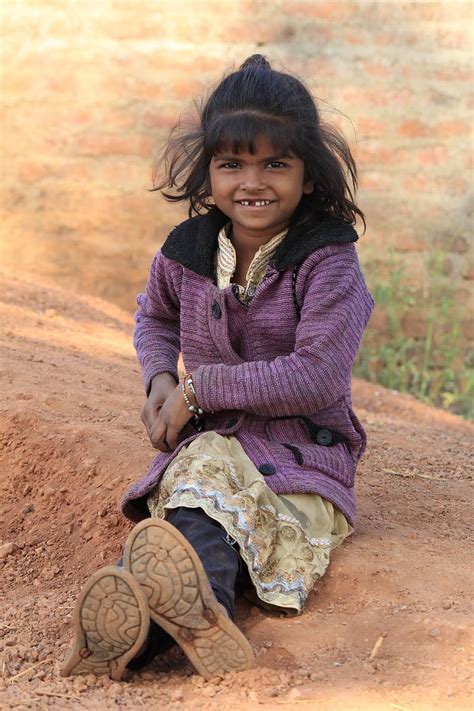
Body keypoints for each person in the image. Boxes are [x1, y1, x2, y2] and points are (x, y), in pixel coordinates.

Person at [62, 54, 374, 682]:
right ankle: (174, 621)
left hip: (299, 460)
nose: (251, 182)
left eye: (274, 165)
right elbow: (155, 319)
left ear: (308, 176)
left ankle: (154, 627)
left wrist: (201, 389)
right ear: (209, 171)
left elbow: (317, 375)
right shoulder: (187, 253)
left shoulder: (328, 264)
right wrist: (161, 380)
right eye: (232, 164)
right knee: (191, 508)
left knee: (206, 499)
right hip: (211, 446)